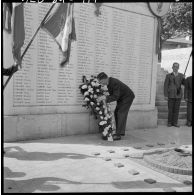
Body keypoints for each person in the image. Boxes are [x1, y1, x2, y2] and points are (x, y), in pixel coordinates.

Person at [97, 72, 135, 141]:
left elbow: (115, 97)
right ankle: (119, 132)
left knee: (121, 113)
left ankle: (118, 134)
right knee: (116, 112)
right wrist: (105, 97)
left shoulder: (114, 82)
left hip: (127, 97)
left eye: (101, 81)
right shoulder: (109, 83)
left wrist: (105, 98)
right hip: (122, 98)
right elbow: (113, 95)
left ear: (105, 79)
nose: (100, 83)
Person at [164, 62, 185, 127]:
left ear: (178, 68)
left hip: (178, 95)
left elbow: (184, 84)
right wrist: (166, 95)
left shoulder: (181, 75)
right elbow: (166, 85)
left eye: (177, 67)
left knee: (176, 110)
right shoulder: (168, 75)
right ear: (172, 67)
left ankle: (175, 123)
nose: (175, 68)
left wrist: (184, 79)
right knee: (170, 109)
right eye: (174, 66)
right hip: (171, 95)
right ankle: (169, 122)